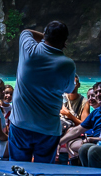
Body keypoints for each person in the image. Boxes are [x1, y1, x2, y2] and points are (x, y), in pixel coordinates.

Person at [8, 22, 76, 163]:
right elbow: (69, 89)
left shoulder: (29, 50)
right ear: (65, 42)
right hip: (48, 128)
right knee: (44, 171)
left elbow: (26, 31)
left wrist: (45, 36)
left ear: (45, 35)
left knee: (16, 168)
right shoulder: (67, 64)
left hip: (21, 125)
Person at [59, 81, 101, 162]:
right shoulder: (96, 112)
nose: (98, 94)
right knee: (71, 143)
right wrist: (59, 143)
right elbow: (78, 129)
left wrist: (92, 139)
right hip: (94, 142)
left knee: (86, 148)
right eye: (96, 92)